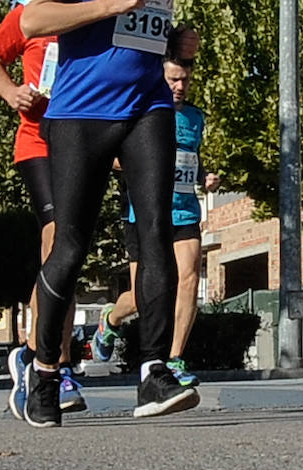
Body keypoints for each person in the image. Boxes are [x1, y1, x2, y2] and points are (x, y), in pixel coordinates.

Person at [18, 0, 198, 426]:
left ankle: (152, 371)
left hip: (147, 106)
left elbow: (142, 31)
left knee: (157, 238)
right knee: (69, 247)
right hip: (79, 114)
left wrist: (175, 44)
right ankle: (44, 374)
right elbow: (35, 18)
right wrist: (102, 5)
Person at [93, 29, 219, 389]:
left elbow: (192, 158)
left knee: (188, 279)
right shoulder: (141, 114)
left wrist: (205, 177)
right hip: (145, 212)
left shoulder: (195, 118)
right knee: (145, 293)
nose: (180, 87)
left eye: (185, 81)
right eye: (173, 80)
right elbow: (113, 157)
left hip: (184, 211)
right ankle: (112, 319)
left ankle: (175, 359)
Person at [0, 0, 83, 418]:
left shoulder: (96, 13)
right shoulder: (30, 14)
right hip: (37, 141)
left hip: (79, 140)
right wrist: (11, 93)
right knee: (57, 237)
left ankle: (37, 356)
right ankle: (49, 362)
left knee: (70, 256)